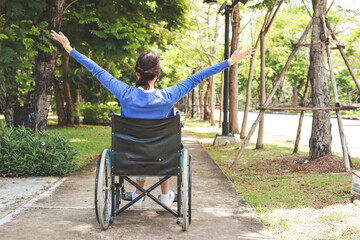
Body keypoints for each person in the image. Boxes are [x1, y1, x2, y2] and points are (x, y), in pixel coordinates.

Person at [51, 30, 256, 208]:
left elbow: (97, 70)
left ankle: (138, 195)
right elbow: (198, 77)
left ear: (137, 72)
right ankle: (166, 196)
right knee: (167, 143)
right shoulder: (169, 95)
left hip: (129, 155)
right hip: (163, 157)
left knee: (140, 143)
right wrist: (231, 61)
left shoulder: (124, 93)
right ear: (157, 74)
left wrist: (70, 49)